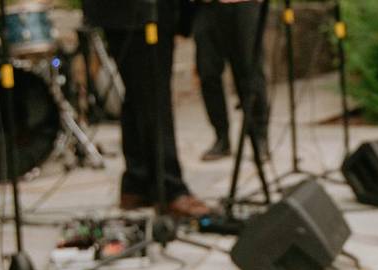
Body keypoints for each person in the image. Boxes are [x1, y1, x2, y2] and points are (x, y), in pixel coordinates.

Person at [82, 0, 210, 217]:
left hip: (125, 13)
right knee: (154, 95)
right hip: (139, 12)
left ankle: (136, 182)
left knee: (138, 94)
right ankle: (170, 189)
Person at [192, 0, 270, 162]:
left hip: (243, 4)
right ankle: (221, 137)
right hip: (206, 7)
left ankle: (260, 137)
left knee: (250, 71)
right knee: (207, 72)